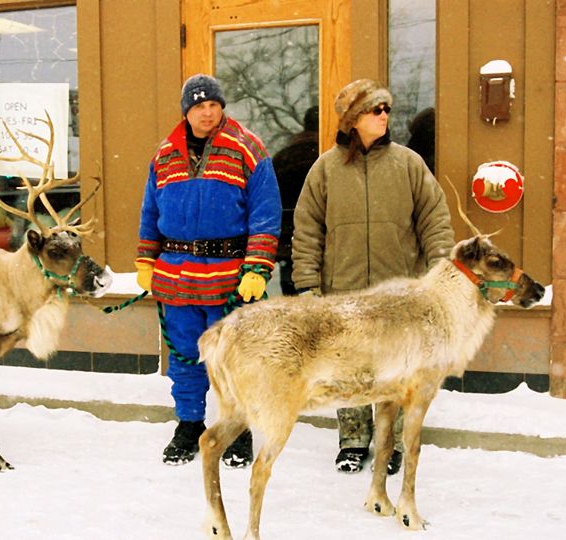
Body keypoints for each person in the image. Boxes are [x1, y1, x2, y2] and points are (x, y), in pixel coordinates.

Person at [291, 79, 454, 475]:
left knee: (394, 370)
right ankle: (351, 441)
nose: (384, 116)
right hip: (342, 290)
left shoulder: (409, 164)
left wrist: (440, 274)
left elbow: (435, 221)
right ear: (352, 120)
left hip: (398, 291)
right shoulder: (325, 169)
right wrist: (308, 285)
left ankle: (391, 441)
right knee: (348, 370)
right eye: (375, 109)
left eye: (386, 109)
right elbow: (307, 230)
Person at [135, 74, 282, 467]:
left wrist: (257, 268)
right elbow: (150, 212)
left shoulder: (247, 149)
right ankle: (188, 423)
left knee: (233, 358)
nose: (208, 112)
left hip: (228, 275)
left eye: (213, 105)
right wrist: (146, 259)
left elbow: (266, 216)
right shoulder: (164, 155)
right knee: (184, 356)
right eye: (199, 106)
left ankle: (237, 426)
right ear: (187, 110)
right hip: (177, 277)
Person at [272, 105, 319, 295]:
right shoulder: (326, 157)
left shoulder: (284, 157)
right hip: (318, 242)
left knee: (291, 306)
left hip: (287, 243)